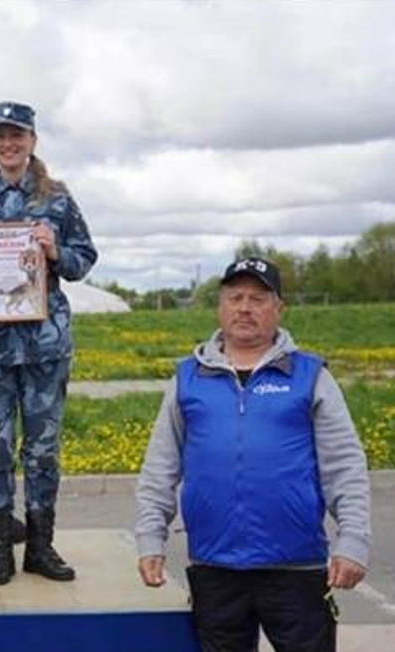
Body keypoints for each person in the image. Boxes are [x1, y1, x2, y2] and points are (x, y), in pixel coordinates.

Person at [135, 257, 371, 652]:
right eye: (235, 297)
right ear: (220, 306)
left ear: (278, 309)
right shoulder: (187, 378)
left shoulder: (310, 376)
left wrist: (353, 544)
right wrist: (149, 540)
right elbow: (160, 468)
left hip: (296, 570)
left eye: (258, 299)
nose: (245, 308)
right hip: (215, 569)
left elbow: (345, 467)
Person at [0, 101, 98, 585]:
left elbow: (84, 258)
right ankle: (0, 549)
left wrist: (55, 250)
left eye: (18, 135)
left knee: (43, 449)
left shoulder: (58, 199)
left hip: (44, 346)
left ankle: (41, 547)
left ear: (33, 140)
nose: (9, 144)